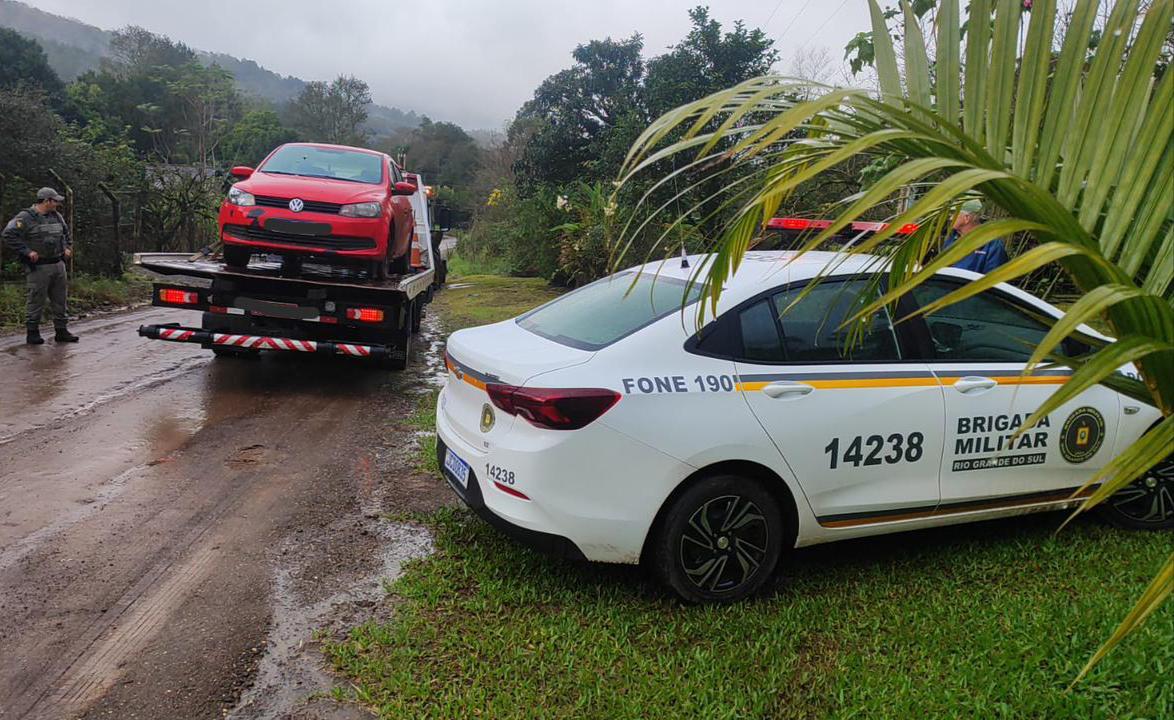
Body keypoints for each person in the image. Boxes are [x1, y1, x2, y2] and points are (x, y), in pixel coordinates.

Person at [1, 187, 79, 344]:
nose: (57, 204)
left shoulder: (57, 216)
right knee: (36, 298)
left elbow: (66, 234)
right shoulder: (25, 217)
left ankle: (61, 331)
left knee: (60, 299)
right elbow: (8, 234)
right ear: (46, 201)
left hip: (58, 263)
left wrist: (67, 247)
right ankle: (32, 332)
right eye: (55, 201)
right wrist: (27, 251)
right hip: (39, 267)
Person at [943, 199, 1008, 274]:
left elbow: (995, 277)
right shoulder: (951, 239)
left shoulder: (992, 245)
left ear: (966, 218)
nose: (951, 218)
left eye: (954, 214)